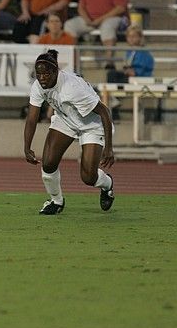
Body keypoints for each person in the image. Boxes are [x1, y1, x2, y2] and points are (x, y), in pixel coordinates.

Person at [23, 49, 115, 215]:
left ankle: (107, 184)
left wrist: (109, 147)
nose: (42, 78)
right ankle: (56, 201)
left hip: (92, 125)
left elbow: (104, 112)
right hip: (66, 119)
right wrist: (27, 147)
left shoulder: (72, 88)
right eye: (38, 74)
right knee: (48, 163)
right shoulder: (38, 86)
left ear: (56, 71)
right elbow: (31, 118)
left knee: (88, 177)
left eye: (46, 74)